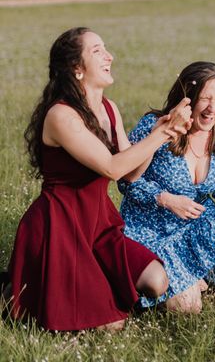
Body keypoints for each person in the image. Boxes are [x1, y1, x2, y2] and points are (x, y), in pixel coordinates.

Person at [4, 27, 191, 331]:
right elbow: (111, 168)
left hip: (99, 223)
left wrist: (163, 130)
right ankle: (21, 291)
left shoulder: (109, 108)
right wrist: (162, 134)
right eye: (97, 51)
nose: (109, 56)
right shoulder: (61, 115)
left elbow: (130, 174)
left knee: (157, 281)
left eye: (106, 48)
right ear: (77, 69)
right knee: (112, 324)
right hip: (61, 226)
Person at [119, 61, 215, 313]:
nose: (213, 108)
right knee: (188, 308)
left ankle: (191, 275)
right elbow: (126, 182)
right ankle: (171, 282)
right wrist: (165, 198)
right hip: (151, 226)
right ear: (187, 99)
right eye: (205, 99)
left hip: (193, 221)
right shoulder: (156, 125)